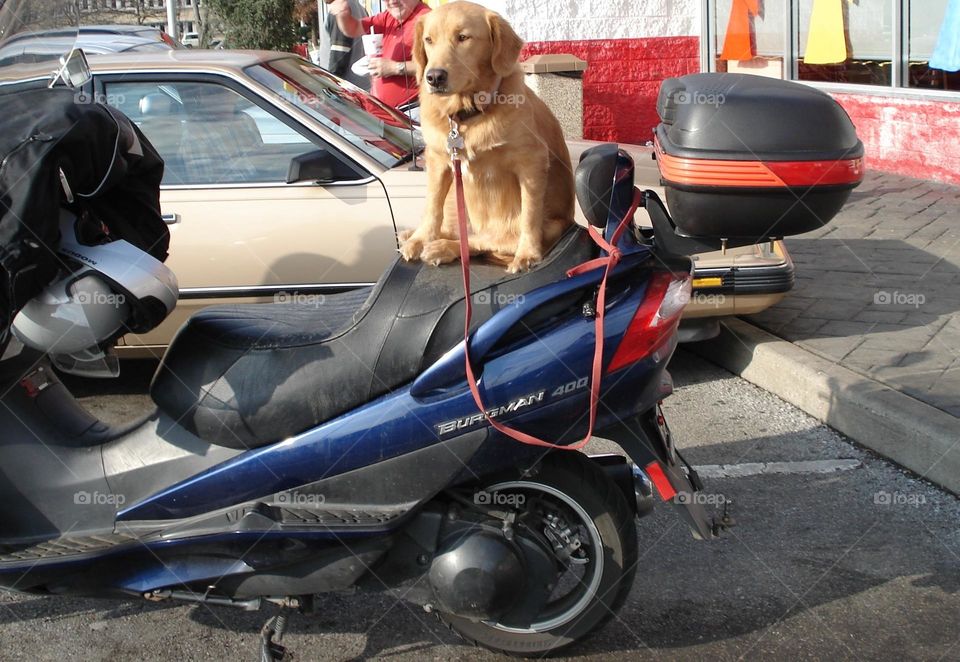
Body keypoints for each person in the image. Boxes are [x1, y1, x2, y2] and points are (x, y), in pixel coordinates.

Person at [328, 0, 430, 108]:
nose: (392, 1)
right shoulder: (388, 16)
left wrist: (394, 68)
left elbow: (440, 67)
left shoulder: (428, 19)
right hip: (384, 111)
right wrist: (343, 14)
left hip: (412, 112)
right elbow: (354, 28)